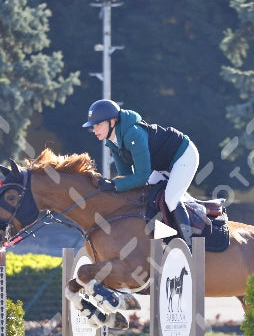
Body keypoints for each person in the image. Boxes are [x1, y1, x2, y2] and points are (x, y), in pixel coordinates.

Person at [82, 99, 199, 249]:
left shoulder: (133, 134)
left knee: (170, 199)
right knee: (148, 198)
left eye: (98, 124)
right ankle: (167, 241)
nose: (95, 129)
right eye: (93, 126)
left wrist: (113, 185)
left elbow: (142, 175)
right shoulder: (112, 142)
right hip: (161, 165)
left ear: (112, 122)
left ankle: (188, 247)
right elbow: (125, 174)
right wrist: (111, 188)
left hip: (183, 155)